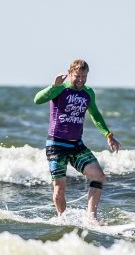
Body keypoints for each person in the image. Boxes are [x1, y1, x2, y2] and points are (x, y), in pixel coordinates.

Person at [34, 59, 121, 221]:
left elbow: (95, 115)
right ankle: (63, 219)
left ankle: (92, 218)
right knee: (59, 189)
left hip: (76, 145)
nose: (81, 80)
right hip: (56, 145)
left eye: (84, 76)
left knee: (99, 176)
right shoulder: (60, 89)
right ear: (70, 74)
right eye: (77, 76)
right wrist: (53, 86)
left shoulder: (88, 93)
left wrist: (108, 135)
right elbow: (37, 100)